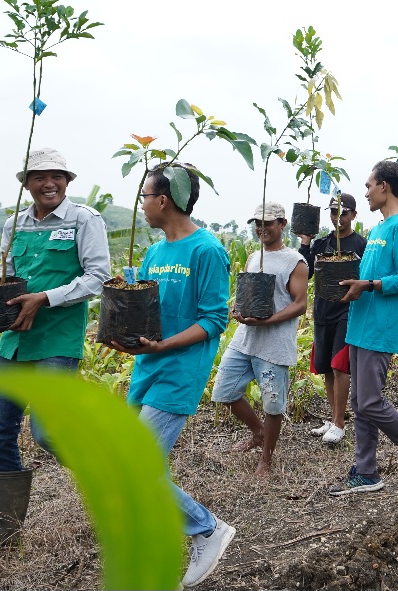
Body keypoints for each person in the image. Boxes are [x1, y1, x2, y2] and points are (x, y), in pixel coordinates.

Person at [0, 148, 110, 554]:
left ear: (68, 182)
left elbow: (98, 277)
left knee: (48, 430)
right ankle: (2, 530)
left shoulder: (84, 220)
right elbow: (9, 278)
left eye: (57, 176)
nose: (49, 183)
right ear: (26, 184)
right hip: (14, 342)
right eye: (40, 177)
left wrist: (46, 297)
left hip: (58, 340)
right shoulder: (14, 225)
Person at [107, 163, 235, 588]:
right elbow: (145, 308)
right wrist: (119, 330)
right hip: (147, 368)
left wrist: (165, 346)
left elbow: (215, 318)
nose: (141, 204)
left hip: (180, 370)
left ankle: (207, 529)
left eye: (145, 196)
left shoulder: (207, 250)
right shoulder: (156, 252)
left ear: (163, 200)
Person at [329, 160, 398, 495]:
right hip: (362, 323)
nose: (365, 193)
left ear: (385, 187)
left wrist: (370, 284)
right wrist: (353, 285)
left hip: (381, 325)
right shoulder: (379, 228)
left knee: (371, 401)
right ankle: (366, 471)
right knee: (359, 401)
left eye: (368, 186)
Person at [212, 201, 308, 476]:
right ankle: (258, 433)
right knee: (225, 391)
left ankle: (266, 459)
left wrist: (268, 320)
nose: (261, 228)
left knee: (272, 404)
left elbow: (300, 304)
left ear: (282, 224)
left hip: (274, 345)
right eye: (257, 223)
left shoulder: (295, 262)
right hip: (245, 339)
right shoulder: (255, 257)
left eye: (267, 223)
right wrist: (238, 309)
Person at [298, 192, 367, 444]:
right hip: (322, 311)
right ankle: (333, 417)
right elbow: (304, 273)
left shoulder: (361, 245)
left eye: (344, 213)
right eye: (334, 213)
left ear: (354, 215)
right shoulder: (323, 243)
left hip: (346, 313)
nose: (338, 218)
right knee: (326, 366)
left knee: (340, 365)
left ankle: (340, 423)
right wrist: (306, 242)